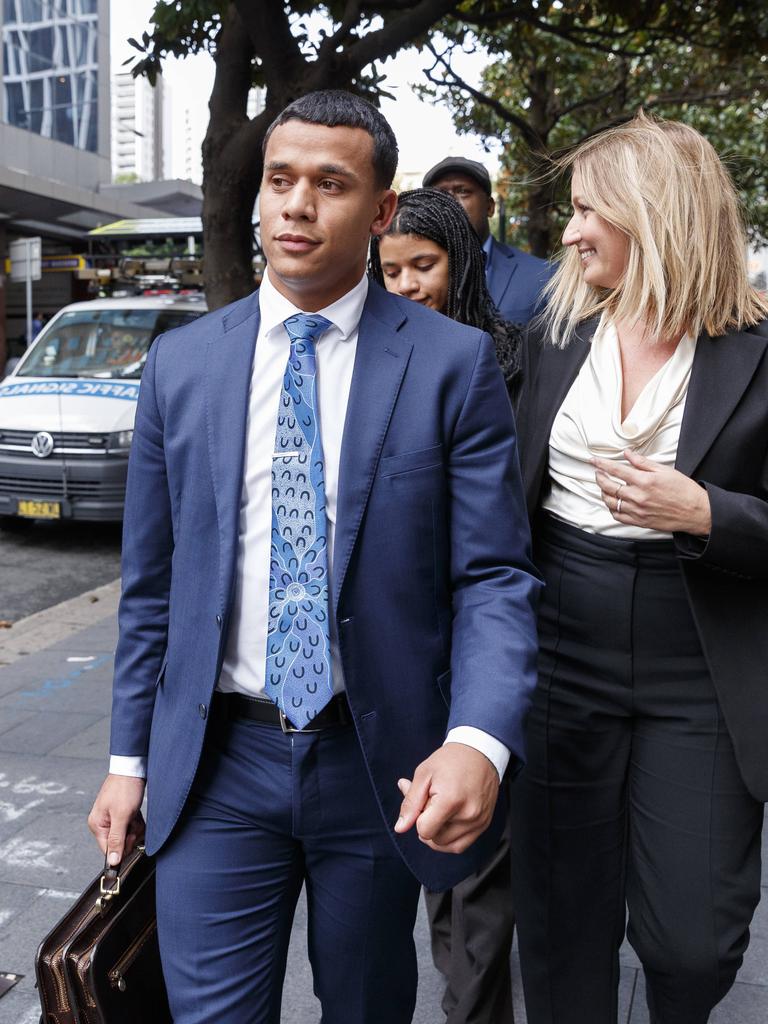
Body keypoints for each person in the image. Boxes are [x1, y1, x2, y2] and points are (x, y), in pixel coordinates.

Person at [87, 90, 541, 1024]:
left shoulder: (451, 364)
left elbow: (492, 575)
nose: (296, 205)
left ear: (380, 214)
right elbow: (153, 586)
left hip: (378, 765)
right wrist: (128, 757)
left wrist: (478, 738)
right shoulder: (183, 365)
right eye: (280, 179)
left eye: (330, 184)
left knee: (369, 1007)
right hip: (217, 762)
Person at [510, 110, 768, 1024]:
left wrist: (708, 513)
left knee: (692, 943)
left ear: (657, 215)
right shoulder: (553, 335)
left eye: (590, 211)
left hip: (700, 660)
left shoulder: (757, 349)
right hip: (559, 649)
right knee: (559, 922)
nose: (571, 232)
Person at [370, 185, 522, 1024]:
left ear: (459, 261)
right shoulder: (384, 365)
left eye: (422, 266)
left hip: (490, 645)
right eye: (389, 271)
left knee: (482, 881)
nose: (406, 286)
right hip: (414, 650)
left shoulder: (509, 358)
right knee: (436, 864)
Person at [423, 155, 552, 325]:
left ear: (490, 207)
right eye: (439, 194)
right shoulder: (404, 282)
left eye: (463, 191)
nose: (450, 201)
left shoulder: (543, 277)